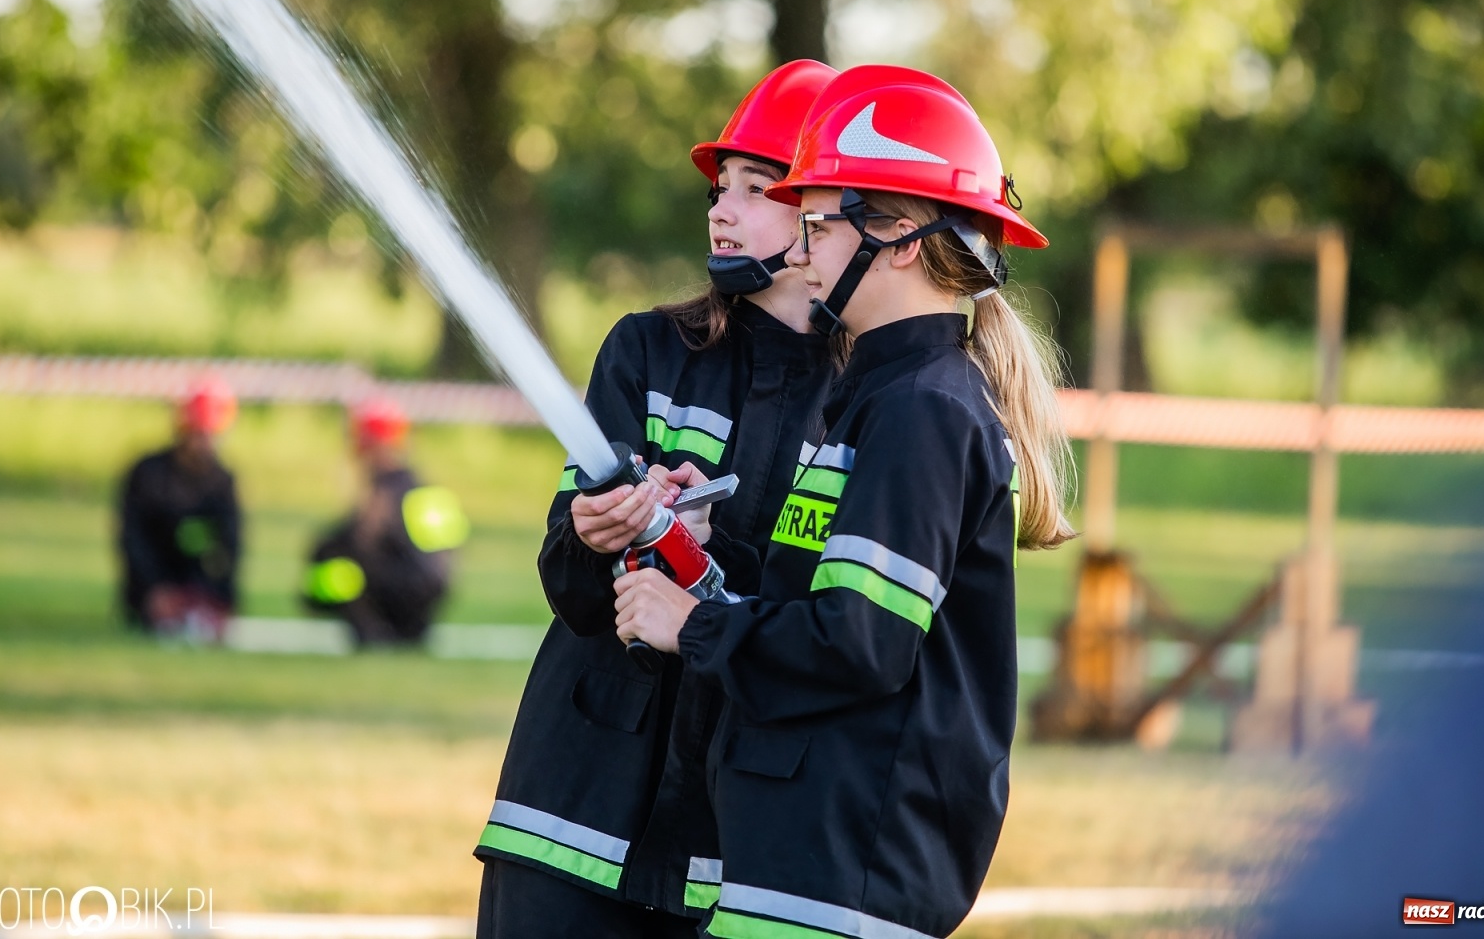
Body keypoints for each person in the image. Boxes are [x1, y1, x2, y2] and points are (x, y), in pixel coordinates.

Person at [613, 65, 1076, 939]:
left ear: (899, 236)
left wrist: (693, 624)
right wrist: (701, 562)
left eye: (820, 224)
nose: (799, 250)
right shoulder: (877, 398)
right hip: (798, 853)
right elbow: (816, 610)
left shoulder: (922, 412)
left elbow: (861, 643)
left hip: (845, 869)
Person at [472, 59, 839, 938]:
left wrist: (708, 559)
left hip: (733, 845)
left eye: (758, 188)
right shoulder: (647, 351)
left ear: (828, 213)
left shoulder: (872, 400)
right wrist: (600, 536)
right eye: (721, 186)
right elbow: (567, 587)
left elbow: (833, 629)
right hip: (569, 814)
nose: (721, 208)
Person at [302, 396, 467, 645]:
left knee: (334, 567)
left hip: (403, 592)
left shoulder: (384, 495)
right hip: (427, 600)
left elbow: (359, 545)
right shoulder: (425, 492)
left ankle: (371, 633)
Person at [118, 376, 243, 641]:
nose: (204, 444)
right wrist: (154, 592)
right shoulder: (148, 476)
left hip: (200, 595)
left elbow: (229, 550)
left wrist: (219, 599)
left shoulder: (221, 484)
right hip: (152, 593)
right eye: (198, 434)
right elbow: (133, 542)